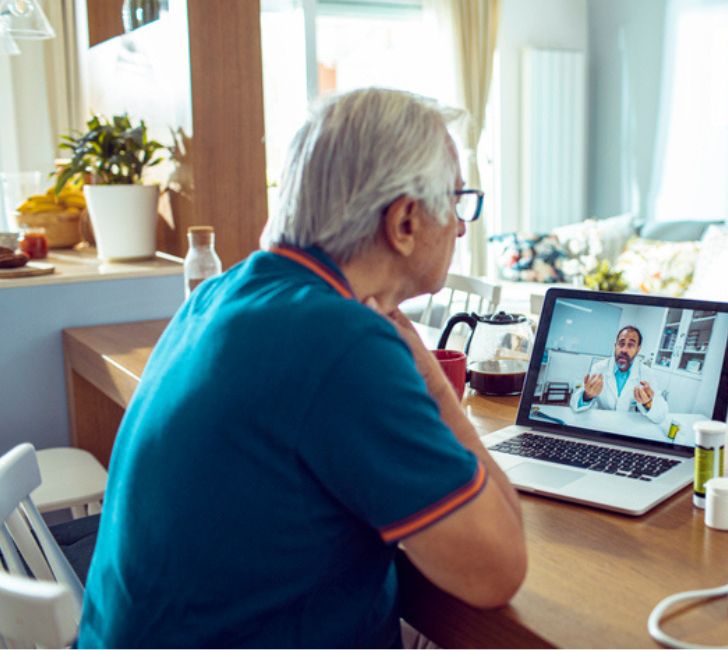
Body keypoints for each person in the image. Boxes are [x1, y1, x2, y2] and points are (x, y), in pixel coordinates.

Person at [78, 88, 526, 648]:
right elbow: (498, 570)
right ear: (405, 221)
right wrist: (432, 380)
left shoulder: (221, 292)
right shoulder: (341, 342)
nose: (462, 228)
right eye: (457, 201)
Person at [569, 326, 669, 423]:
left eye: (630, 345)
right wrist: (587, 396)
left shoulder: (647, 374)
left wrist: (648, 403)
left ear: (638, 349)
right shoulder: (599, 368)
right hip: (601, 424)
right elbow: (574, 404)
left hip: (628, 427)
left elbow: (661, 415)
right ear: (615, 345)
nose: (624, 350)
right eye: (621, 344)